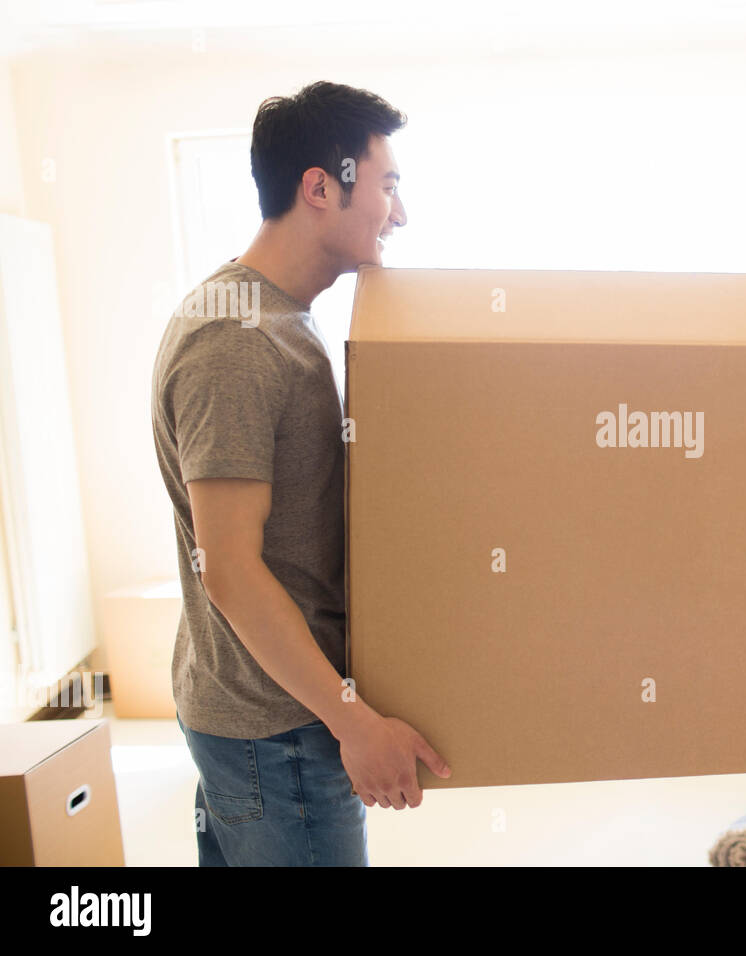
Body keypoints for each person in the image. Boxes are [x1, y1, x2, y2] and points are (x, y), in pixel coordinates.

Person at [151, 80, 451, 866]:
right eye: (388, 186)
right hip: (274, 732)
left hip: (266, 719)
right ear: (322, 186)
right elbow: (231, 570)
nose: (401, 213)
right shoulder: (237, 339)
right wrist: (355, 722)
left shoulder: (284, 321)